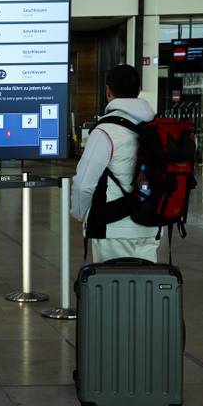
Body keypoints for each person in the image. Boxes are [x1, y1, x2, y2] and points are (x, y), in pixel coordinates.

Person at [72, 64, 160, 263]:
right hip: (150, 223)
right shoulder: (154, 125)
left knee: (112, 290)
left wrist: (81, 213)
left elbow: (84, 183)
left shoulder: (105, 130)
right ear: (138, 91)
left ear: (107, 91)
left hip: (112, 227)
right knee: (145, 290)